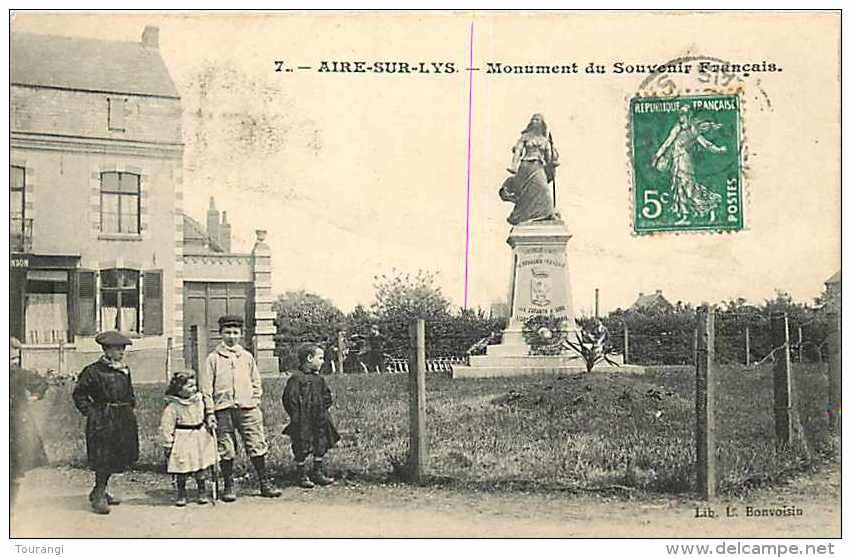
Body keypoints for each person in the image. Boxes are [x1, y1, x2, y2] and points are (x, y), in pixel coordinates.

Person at [198, 315, 282, 501]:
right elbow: (206, 388)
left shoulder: (246, 357)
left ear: (241, 334)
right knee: (226, 447)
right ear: (220, 334)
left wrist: (254, 401)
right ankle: (229, 485)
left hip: (247, 408)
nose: (231, 336)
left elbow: (256, 381)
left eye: (235, 332)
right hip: (223, 409)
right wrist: (210, 412)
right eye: (227, 332)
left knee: (256, 443)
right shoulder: (213, 359)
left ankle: (264, 482)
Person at [72, 331, 139, 515]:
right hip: (103, 419)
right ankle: (99, 494)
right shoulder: (93, 371)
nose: (121, 352)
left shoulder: (123, 369)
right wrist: (91, 412)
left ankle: (99, 489)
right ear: (106, 349)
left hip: (123, 417)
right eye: (117, 349)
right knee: (103, 456)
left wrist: (131, 405)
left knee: (118, 455)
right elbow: (79, 394)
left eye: (123, 349)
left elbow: (129, 391)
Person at [652, 105, 726, 223]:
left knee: (689, 188)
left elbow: (705, 144)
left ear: (689, 116)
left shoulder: (693, 130)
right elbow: (667, 142)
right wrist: (658, 155)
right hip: (676, 161)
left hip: (685, 161)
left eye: (684, 115)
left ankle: (711, 206)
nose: (682, 118)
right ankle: (685, 215)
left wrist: (719, 150)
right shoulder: (677, 128)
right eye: (680, 115)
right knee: (679, 187)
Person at [282, 344, 341, 488]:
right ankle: (301, 474)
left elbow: (327, 396)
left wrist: (322, 409)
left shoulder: (319, 379)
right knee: (302, 443)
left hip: (319, 417)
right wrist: (297, 415)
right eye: (320, 358)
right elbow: (290, 399)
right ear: (309, 358)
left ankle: (317, 471)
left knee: (321, 441)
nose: (322, 361)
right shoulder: (297, 379)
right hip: (303, 419)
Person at [160, 370, 218, 506]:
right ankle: (181, 494)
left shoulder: (199, 401)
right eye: (189, 386)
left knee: (200, 466)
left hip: (199, 435)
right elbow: (166, 426)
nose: (194, 389)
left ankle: (202, 492)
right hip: (183, 438)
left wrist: (210, 420)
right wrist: (168, 442)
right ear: (179, 389)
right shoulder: (173, 407)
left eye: (194, 385)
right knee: (182, 467)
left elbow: (206, 414)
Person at [499, 113, 560, 225]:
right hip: (526, 166)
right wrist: (513, 166)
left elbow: (549, 159)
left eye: (538, 120)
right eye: (534, 120)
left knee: (544, 190)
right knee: (526, 193)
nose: (535, 122)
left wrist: (554, 157)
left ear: (542, 123)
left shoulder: (545, 141)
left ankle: (547, 213)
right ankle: (528, 216)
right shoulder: (525, 137)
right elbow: (518, 151)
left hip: (539, 167)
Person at [10, 337, 49, 510]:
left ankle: (10, 504)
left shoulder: (21, 374)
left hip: (16, 425)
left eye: (15, 358)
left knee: (15, 467)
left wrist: (33, 397)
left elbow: (41, 384)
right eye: (10, 358)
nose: (13, 362)